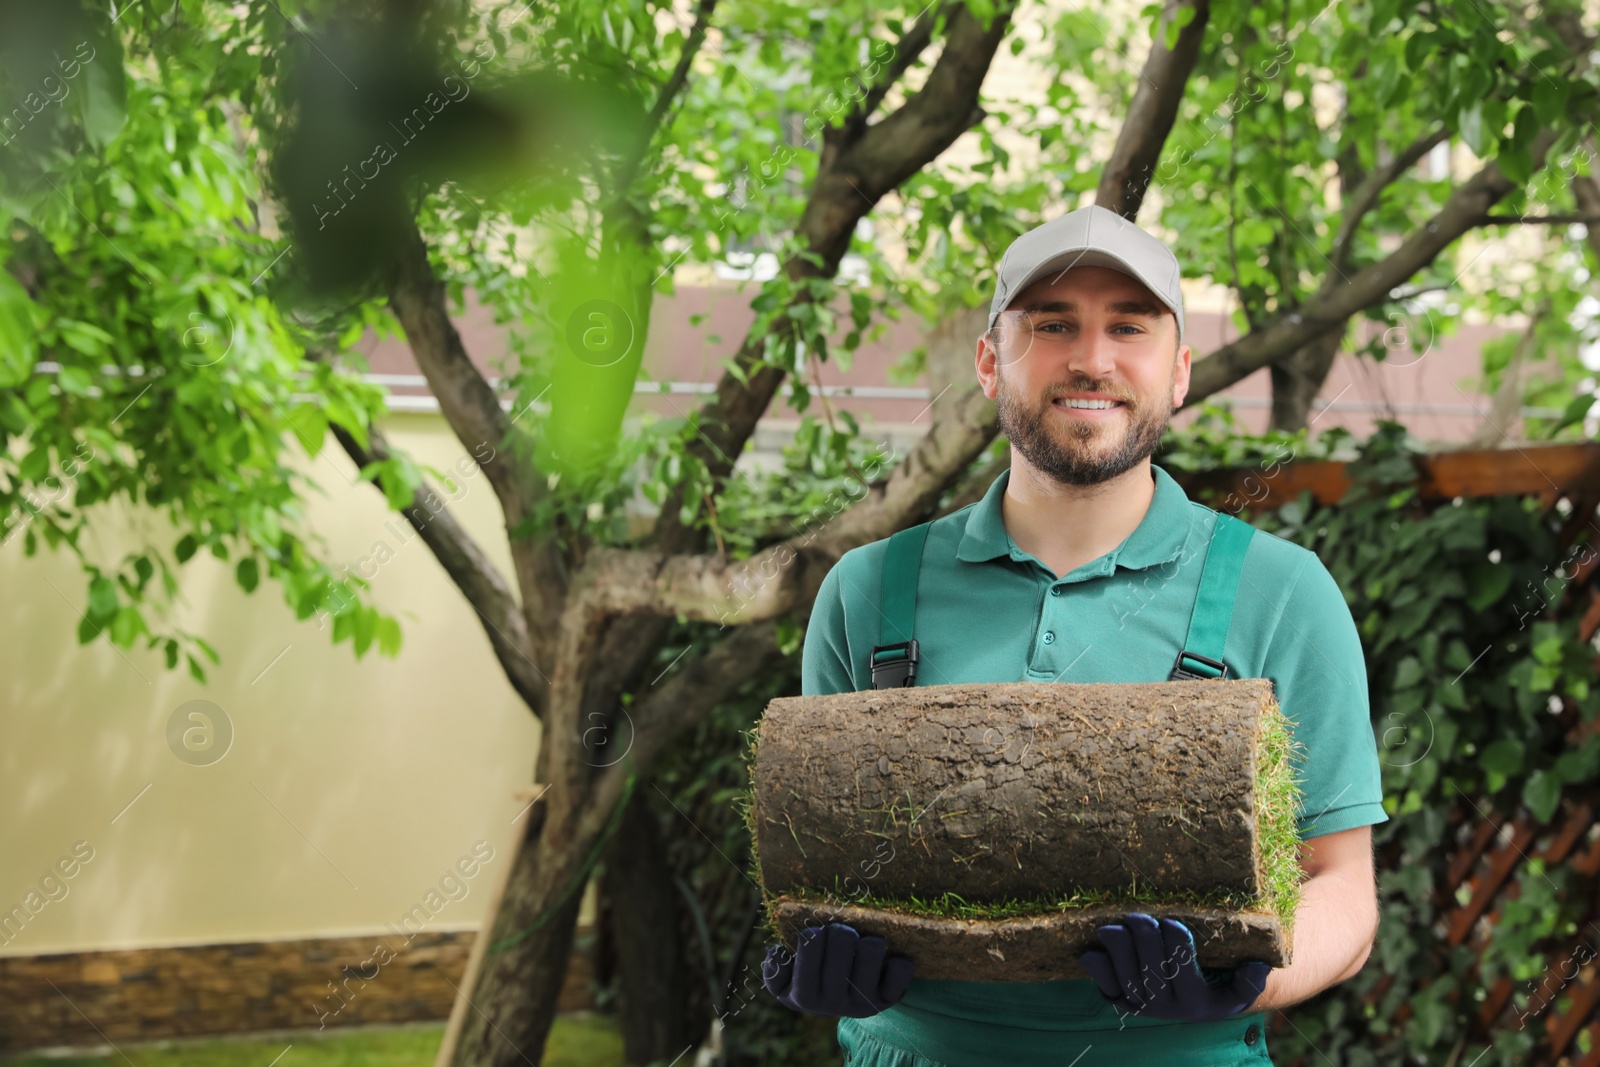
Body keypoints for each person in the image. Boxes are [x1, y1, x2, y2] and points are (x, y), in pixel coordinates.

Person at [762, 205, 1387, 1066]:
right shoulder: (868, 593)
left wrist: (1249, 979)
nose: (1091, 358)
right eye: (1052, 325)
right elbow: (820, 870)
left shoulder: (1281, 592)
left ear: (1178, 371)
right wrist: (813, 955)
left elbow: (1342, 887)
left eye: (1128, 326)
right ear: (990, 362)